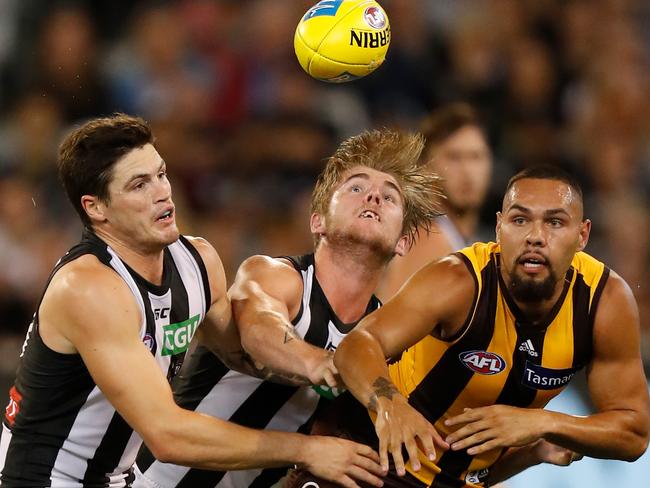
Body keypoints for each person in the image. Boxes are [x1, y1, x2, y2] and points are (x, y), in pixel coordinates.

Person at [0, 114, 386, 488]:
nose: (162, 192)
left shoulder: (197, 260)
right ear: (95, 208)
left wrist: (332, 372)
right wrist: (308, 450)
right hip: (42, 478)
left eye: (161, 174)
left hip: (116, 478)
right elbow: (167, 436)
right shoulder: (89, 287)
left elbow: (241, 356)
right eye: (139, 185)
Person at [295, 165, 650, 487]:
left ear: (582, 235)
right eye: (520, 220)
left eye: (555, 222)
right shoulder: (459, 281)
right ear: (499, 227)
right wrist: (389, 405)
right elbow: (357, 346)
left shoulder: (604, 302)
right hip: (371, 461)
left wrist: (545, 424)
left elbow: (634, 433)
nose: (535, 237)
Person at [134, 128, 443, 488]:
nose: (374, 196)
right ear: (319, 221)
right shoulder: (275, 275)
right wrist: (320, 363)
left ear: (403, 242)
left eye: (390, 198)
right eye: (356, 187)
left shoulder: (386, 334)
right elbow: (258, 329)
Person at [377, 103, 492, 301]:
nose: (468, 171)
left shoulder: (460, 239)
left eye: (476, 157)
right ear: (425, 168)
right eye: (454, 157)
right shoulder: (426, 241)